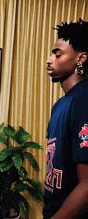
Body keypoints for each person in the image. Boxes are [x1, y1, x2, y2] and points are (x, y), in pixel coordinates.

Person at [44, 19, 88, 218]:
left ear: (81, 58)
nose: (49, 59)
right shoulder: (60, 105)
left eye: (57, 54)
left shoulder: (84, 98)